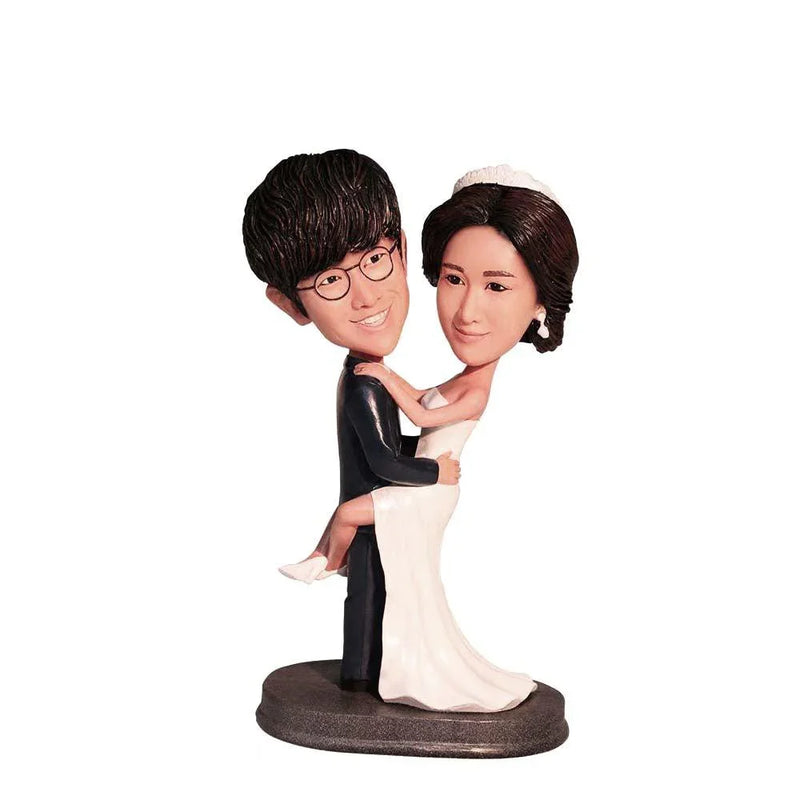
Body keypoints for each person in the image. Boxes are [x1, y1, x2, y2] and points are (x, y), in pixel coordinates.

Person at [278, 165, 581, 712]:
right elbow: (421, 406)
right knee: (409, 586)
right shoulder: (453, 380)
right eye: (453, 279)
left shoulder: (477, 389)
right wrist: (387, 383)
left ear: (540, 302)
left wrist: (386, 379)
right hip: (421, 479)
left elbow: (418, 409)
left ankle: (325, 561)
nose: (467, 311)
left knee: (360, 525)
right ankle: (351, 591)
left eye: (496, 286)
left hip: (429, 487)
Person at [242, 149, 461, 693]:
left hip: (376, 510)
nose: (365, 296)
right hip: (374, 511)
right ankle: (362, 675)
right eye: (330, 281)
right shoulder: (365, 382)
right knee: (370, 594)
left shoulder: (368, 375)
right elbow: (383, 461)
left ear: (401, 251)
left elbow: (383, 445)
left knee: (382, 593)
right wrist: (434, 471)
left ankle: (370, 667)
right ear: (291, 305)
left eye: (374, 259)